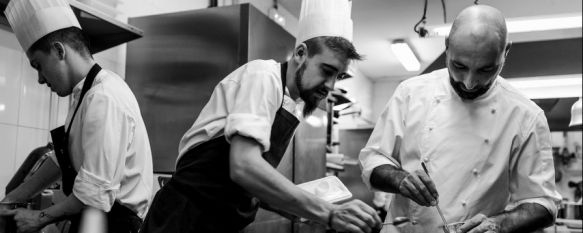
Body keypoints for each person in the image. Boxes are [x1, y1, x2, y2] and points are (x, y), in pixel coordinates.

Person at [140, 0, 382, 232]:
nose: (330, 86)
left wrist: (305, 210)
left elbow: (250, 186)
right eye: (326, 71)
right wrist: (328, 213)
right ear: (300, 53)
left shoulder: (289, 105)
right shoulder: (263, 76)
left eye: (338, 77)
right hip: (182, 219)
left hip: (217, 223)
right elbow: (244, 167)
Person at [359, 5, 562, 233]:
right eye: (459, 66)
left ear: (505, 52)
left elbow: (544, 204)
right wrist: (399, 179)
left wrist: (498, 225)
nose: (469, 82)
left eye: (486, 70)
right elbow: (372, 161)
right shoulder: (410, 93)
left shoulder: (527, 117)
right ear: (446, 47)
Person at [0, 0, 153, 232]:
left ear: (60, 51)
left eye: (38, 65)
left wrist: (38, 218)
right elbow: (61, 161)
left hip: (116, 225)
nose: (40, 79)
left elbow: (94, 194)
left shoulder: (105, 96)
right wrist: (11, 199)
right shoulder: (84, 95)